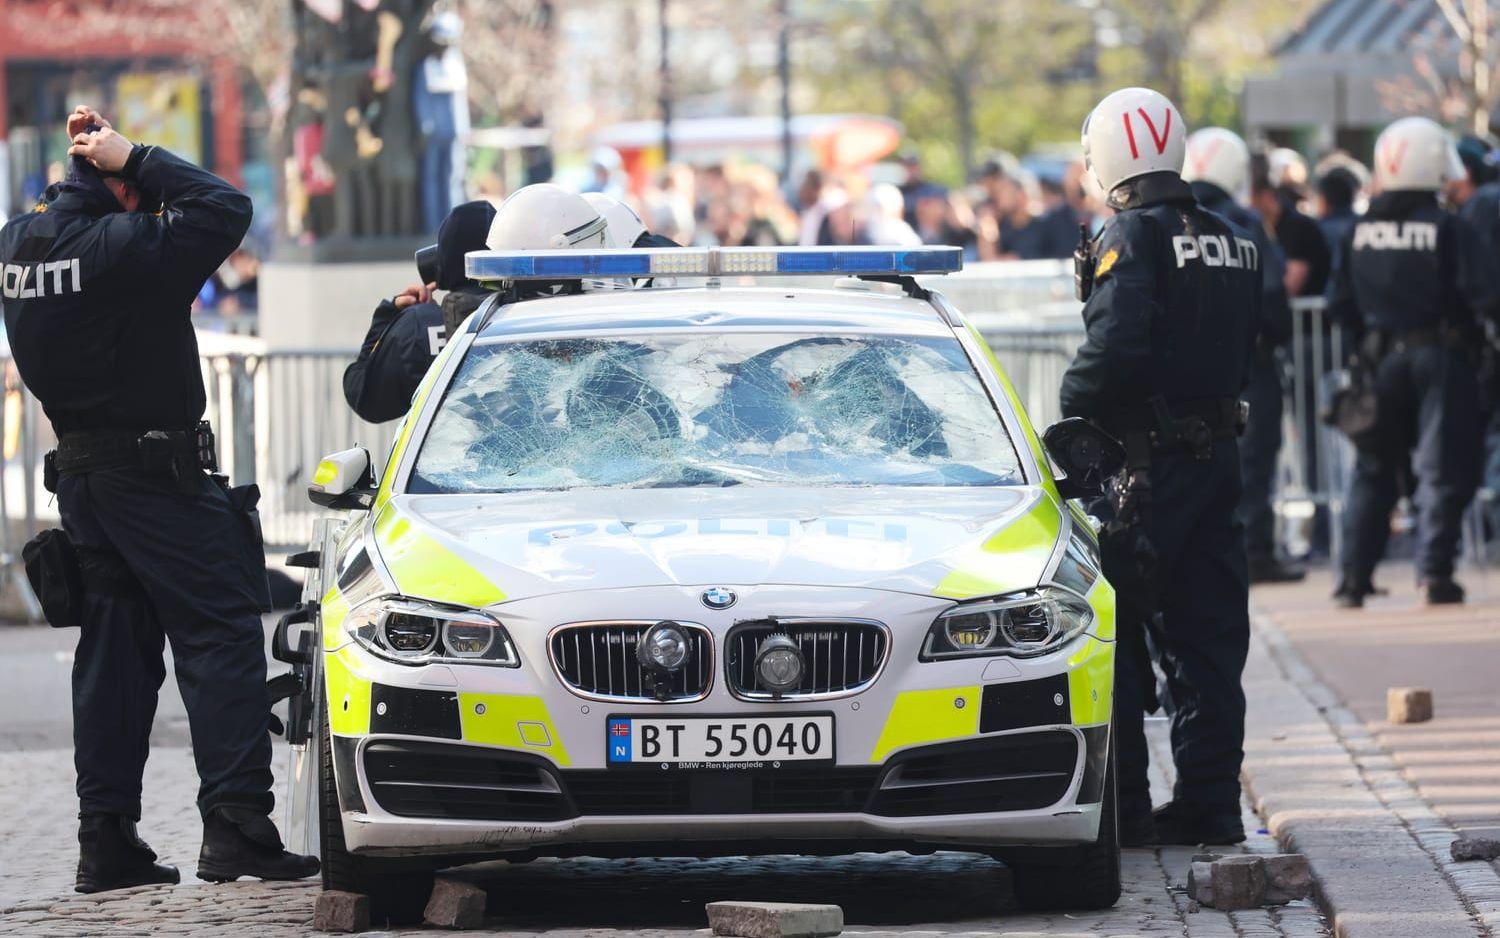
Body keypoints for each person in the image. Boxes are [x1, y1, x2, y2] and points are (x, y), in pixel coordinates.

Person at [0, 106, 319, 892]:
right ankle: (237, 826)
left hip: (82, 478)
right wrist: (137, 153)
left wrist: (118, 166)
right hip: (155, 475)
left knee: (114, 653)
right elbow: (225, 208)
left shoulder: (16, 244)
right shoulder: (124, 245)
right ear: (128, 192)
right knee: (221, 633)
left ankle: (105, 840)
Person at [1060, 87, 1260, 847]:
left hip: (1143, 474)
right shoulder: (1236, 238)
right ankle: (1212, 805)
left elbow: (1114, 353)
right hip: (1218, 462)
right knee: (1210, 639)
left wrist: (1067, 405)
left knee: (1121, 639)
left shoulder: (1131, 236)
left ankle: (1128, 808)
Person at [1329, 117, 1495, 607]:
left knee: (1374, 468)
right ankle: (1434, 574)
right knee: (1444, 469)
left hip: (1381, 362)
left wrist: (1367, 344)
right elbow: (1485, 293)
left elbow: (1339, 303)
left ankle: (1353, 581)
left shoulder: (1358, 232)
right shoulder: (1448, 228)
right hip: (1441, 359)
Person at [1184, 128, 1303, 583]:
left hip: (1187, 371)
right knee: (1254, 461)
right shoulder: (1244, 223)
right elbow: (1271, 295)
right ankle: (1256, 552)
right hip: (1249, 365)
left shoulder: (1162, 224)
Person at [344, 200, 496, 423]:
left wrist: (386, 317)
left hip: (442, 456)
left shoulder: (418, 328)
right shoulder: (531, 315)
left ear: (445, 259)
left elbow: (363, 397)